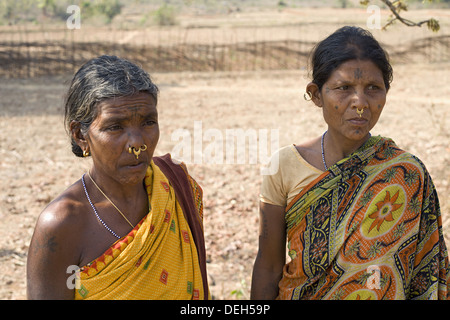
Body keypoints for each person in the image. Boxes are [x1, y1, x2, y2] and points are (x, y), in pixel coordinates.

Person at [251, 26, 449, 300]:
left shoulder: (407, 173)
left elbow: (423, 271)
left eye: (373, 88)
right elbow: (269, 265)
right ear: (316, 94)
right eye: (344, 88)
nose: (360, 102)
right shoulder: (284, 166)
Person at [27, 55, 209, 300]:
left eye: (148, 122)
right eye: (115, 127)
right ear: (80, 136)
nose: (137, 143)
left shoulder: (175, 185)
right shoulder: (62, 224)